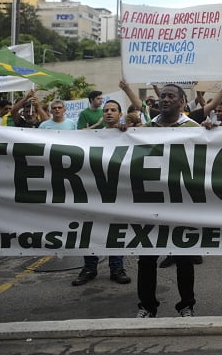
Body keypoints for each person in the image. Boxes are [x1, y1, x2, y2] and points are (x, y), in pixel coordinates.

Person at [135, 84, 200, 318]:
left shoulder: (195, 128)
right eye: (162, 96)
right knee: (147, 257)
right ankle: (147, 306)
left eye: (171, 96)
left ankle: (186, 305)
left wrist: (213, 132)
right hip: (151, 203)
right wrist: (119, 131)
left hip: (181, 203)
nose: (165, 99)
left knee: (183, 257)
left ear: (182, 102)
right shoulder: (144, 129)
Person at [72, 100, 132, 287]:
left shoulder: (129, 134)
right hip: (93, 190)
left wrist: (131, 130)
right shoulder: (90, 136)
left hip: (117, 190)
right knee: (89, 228)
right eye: (106, 110)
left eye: (113, 110)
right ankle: (89, 267)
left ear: (120, 114)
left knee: (114, 228)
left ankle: (117, 267)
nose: (109, 113)